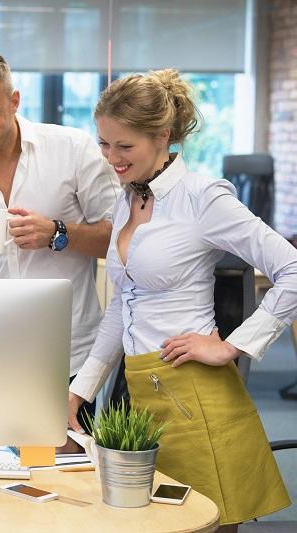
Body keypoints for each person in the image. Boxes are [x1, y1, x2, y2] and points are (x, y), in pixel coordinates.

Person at [68, 69, 294, 529]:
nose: (112, 158)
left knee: (205, 522)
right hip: (139, 391)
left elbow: (291, 268)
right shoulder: (126, 198)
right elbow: (122, 303)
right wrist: (81, 389)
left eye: (124, 146)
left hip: (195, 392)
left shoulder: (202, 198)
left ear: (163, 136)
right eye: (104, 144)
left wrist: (234, 344)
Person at [0, 48, 119, 429]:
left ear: (14, 101)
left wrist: (58, 234)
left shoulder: (73, 150)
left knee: (68, 477)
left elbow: (121, 239)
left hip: (68, 357)